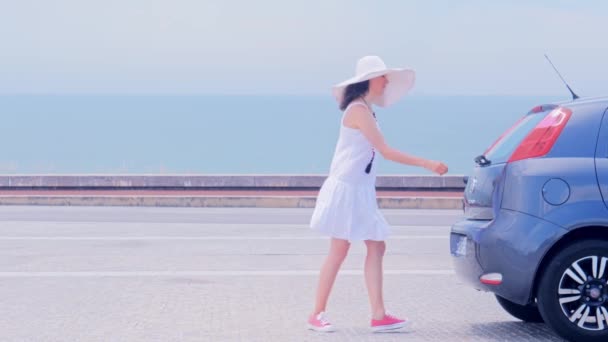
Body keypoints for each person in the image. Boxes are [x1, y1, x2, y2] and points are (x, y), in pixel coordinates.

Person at [307, 56, 448, 333]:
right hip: (347, 188)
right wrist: (427, 163)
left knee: (376, 245)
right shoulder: (358, 110)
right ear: (370, 80)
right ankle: (317, 314)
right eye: (383, 76)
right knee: (340, 250)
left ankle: (378, 315)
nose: (386, 81)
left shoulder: (366, 110)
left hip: (360, 189)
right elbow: (386, 151)